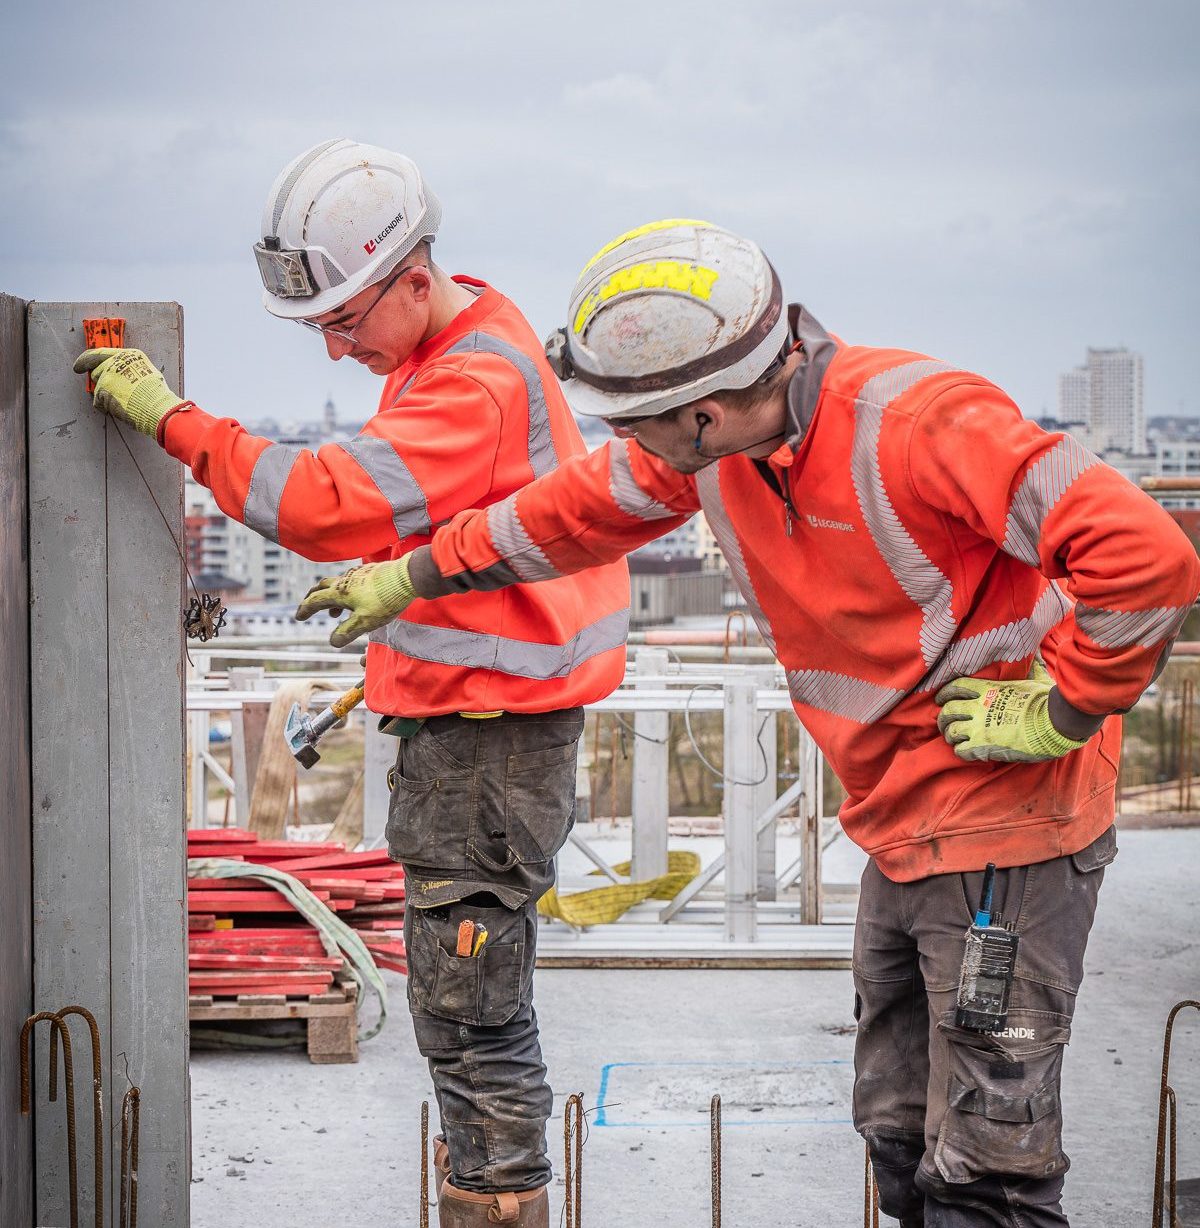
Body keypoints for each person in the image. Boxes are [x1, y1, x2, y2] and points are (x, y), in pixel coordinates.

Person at [294, 218, 1200, 1226]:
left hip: (1007, 830)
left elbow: (1145, 555)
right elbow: (567, 513)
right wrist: (414, 574)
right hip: (900, 824)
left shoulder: (917, 420)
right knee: (899, 1133)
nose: (628, 442)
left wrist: (1066, 707)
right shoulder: (724, 448)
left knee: (989, 1167)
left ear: (708, 408)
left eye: (640, 421)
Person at [73, 138, 629, 1228]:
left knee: (472, 1009)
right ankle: (494, 1193)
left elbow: (322, 502)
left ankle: (497, 1205)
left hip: (489, 744)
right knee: (467, 999)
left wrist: (176, 421)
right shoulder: (460, 346)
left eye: (343, 320)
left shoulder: (472, 376)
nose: (333, 351)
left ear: (415, 281)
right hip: (481, 736)